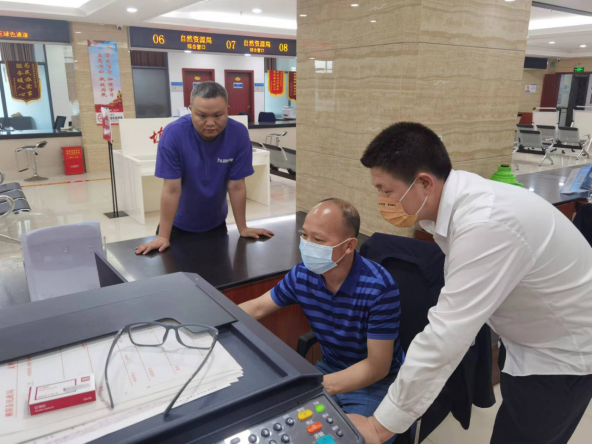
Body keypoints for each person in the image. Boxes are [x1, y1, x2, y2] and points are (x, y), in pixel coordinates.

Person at [349, 122, 592, 444]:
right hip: (532, 335)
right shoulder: (461, 200)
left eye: (386, 191)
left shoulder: (486, 224)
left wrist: (381, 426)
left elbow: (446, 334)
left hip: (562, 356)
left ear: (424, 182)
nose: (382, 200)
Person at [240, 198, 405, 417]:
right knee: (285, 422)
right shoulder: (303, 274)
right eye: (304, 235)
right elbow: (258, 307)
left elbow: (377, 367)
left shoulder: (379, 288)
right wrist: (213, 320)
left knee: (349, 433)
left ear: (349, 246)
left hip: (375, 383)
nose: (307, 245)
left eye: (318, 239)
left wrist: (315, 386)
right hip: (330, 367)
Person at [135, 82, 273, 255]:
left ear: (227, 110)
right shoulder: (174, 134)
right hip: (177, 227)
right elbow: (171, 189)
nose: (210, 123)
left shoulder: (238, 134)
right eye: (202, 115)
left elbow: (237, 186)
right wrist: (163, 236)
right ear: (190, 110)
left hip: (216, 225)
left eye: (218, 115)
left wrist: (243, 228)